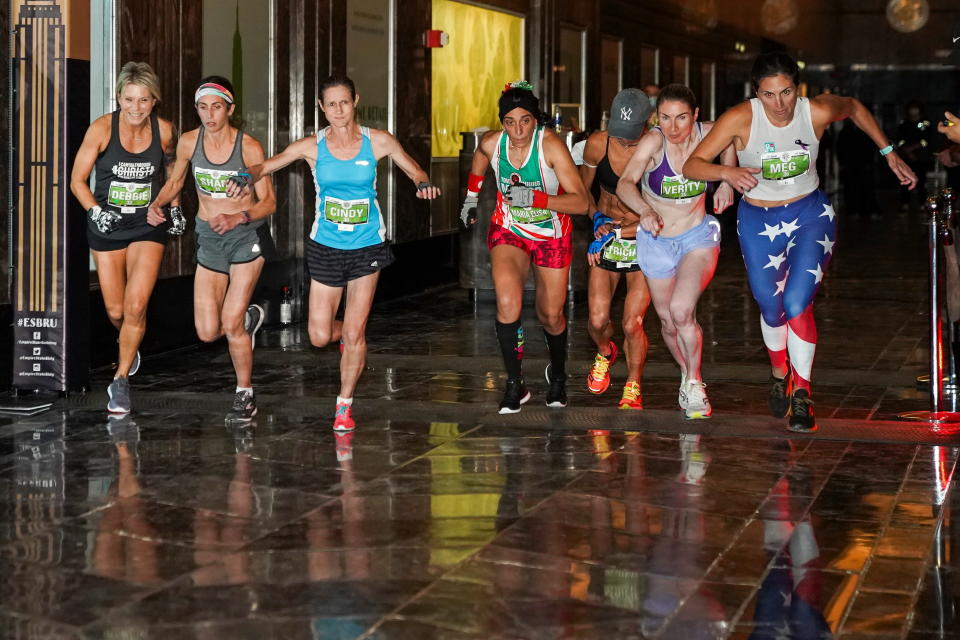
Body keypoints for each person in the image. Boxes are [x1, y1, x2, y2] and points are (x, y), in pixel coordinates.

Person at [683, 52, 916, 433]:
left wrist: (889, 153)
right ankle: (780, 372)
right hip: (758, 219)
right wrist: (727, 171)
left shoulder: (817, 111)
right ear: (756, 92)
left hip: (810, 215)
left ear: (797, 87)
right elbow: (692, 165)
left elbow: (854, 107)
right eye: (769, 95)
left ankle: (802, 394)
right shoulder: (741, 117)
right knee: (770, 307)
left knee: (795, 303)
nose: (779, 104)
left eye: (787, 92)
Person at [226, 74, 439, 431]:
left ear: (355, 100)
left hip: (367, 245)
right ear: (322, 109)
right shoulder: (311, 146)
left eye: (344, 102)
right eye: (331, 105)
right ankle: (350, 339)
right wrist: (246, 176)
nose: (339, 110)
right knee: (320, 335)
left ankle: (344, 405)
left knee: (356, 332)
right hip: (325, 245)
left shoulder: (378, 141)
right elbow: (269, 164)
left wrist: (424, 183)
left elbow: (412, 167)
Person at [148, 76, 276, 422]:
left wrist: (239, 218)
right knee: (207, 331)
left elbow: (269, 202)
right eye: (203, 107)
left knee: (229, 322)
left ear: (230, 109)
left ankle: (244, 395)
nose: (209, 115)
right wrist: (156, 204)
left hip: (245, 235)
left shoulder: (248, 147)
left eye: (216, 107)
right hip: (209, 236)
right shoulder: (190, 141)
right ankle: (248, 321)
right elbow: (175, 181)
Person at [460, 81, 589, 414]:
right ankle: (515, 384)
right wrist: (471, 199)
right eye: (509, 122)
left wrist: (538, 199)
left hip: (551, 234)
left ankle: (557, 374)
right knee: (507, 303)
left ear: (536, 119)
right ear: (501, 123)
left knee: (551, 314)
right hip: (510, 230)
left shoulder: (551, 147)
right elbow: (478, 158)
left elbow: (582, 203)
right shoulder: (493, 144)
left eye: (525, 121)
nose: (517, 130)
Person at [615, 84, 735, 419]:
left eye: (682, 117)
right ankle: (687, 374)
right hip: (656, 240)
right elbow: (626, 182)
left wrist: (726, 180)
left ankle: (695, 383)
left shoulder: (708, 133)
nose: (674, 127)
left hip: (697, 237)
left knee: (682, 311)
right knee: (668, 320)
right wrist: (645, 211)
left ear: (695, 116)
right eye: (665, 118)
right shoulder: (654, 142)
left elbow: (733, 138)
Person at [70, 62, 183, 414]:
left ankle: (120, 381)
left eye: (144, 100)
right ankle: (129, 346)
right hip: (107, 227)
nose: (136, 108)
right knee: (116, 310)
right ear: (119, 98)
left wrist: (174, 209)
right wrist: (95, 210)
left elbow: (171, 175)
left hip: (148, 225)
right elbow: (77, 180)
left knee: (136, 306)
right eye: (129, 100)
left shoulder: (165, 131)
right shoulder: (102, 129)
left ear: (154, 102)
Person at [579, 88, 652, 409]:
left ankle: (633, 382)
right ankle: (606, 351)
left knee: (631, 323)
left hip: (644, 238)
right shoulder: (599, 143)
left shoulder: (658, 148)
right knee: (597, 321)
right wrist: (596, 218)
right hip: (606, 236)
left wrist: (622, 230)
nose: (624, 142)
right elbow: (582, 193)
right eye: (619, 136)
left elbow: (664, 211)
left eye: (631, 137)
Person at [896, 100, 933, 208]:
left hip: (921, 157)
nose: (913, 111)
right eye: (911, 108)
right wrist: (906, 150)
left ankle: (922, 203)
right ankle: (904, 203)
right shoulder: (904, 123)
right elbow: (900, 139)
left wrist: (914, 148)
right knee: (905, 180)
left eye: (915, 108)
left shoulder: (925, 123)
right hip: (905, 157)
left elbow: (926, 140)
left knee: (921, 181)